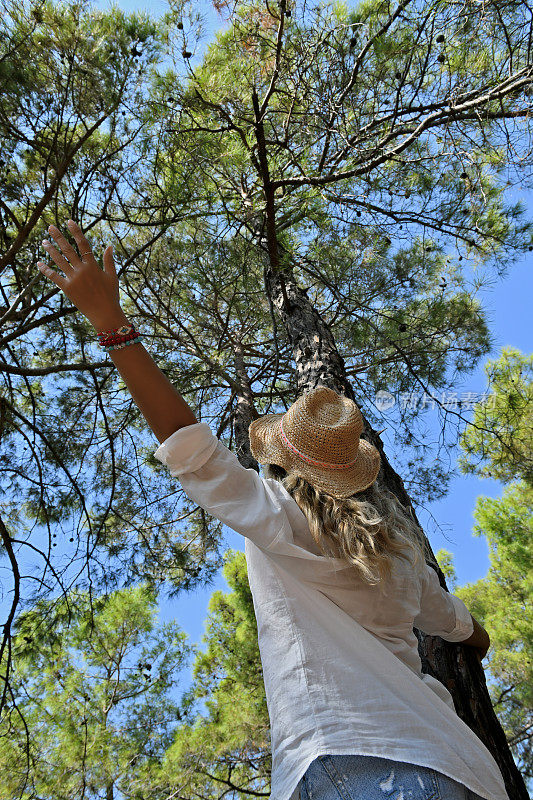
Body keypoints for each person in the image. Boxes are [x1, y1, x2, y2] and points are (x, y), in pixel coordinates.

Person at [37, 222, 509, 800]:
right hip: (460, 765)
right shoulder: (403, 557)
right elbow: (454, 621)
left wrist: (113, 327)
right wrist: (478, 636)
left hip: (349, 755)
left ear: (286, 466)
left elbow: (195, 453)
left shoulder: (282, 519)